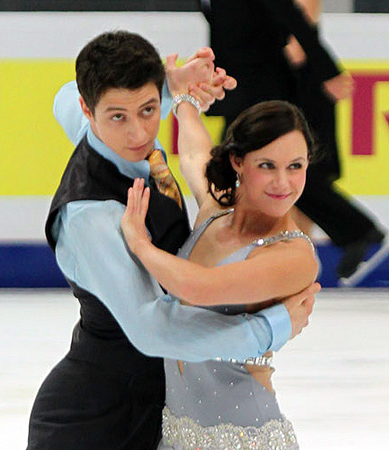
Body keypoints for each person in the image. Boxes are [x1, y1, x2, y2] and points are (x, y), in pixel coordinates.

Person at [26, 31, 318, 450]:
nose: (139, 133)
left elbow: (63, 96)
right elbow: (151, 327)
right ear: (87, 112)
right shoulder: (93, 218)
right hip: (95, 419)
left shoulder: (117, 139)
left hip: (163, 412)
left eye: (148, 109)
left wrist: (174, 85)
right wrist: (270, 330)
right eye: (117, 117)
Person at [121, 98, 319, 449]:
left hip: (247, 438)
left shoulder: (293, 255)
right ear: (238, 161)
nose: (283, 182)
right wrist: (185, 101)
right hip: (178, 434)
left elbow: (200, 288)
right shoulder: (213, 213)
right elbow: (196, 154)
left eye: (295, 166)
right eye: (267, 165)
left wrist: (140, 244)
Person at [200, 0, 387, 284]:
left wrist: (326, 70)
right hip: (242, 86)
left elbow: (293, 16)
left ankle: (355, 231)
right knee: (241, 168)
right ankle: (353, 231)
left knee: (254, 166)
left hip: (265, 86)